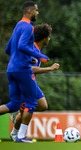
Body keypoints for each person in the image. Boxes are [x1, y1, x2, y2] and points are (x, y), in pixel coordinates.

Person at [0, 1, 49, 143]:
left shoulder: (18, 26)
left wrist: (27, 58)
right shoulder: (28, 27)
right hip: (22, 70)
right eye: (36, 10)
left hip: (11, 69)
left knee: (14, 105)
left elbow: (8, 49)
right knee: (32, 102)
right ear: (30, 11)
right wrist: (40, 56)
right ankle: (20, 136)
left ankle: (17, 134)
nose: (37, 13)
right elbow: (22, 45)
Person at [10, 23, 60, 141]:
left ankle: (15, 131)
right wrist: (50, 68)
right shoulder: (32, 48)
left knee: (42, 106)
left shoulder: (37, 48)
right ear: (44, 37)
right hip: (23, 82)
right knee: (31, 106)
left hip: (30, 81)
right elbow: (30, 69)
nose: (49, 38)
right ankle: (19, 135)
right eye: (49, 36)